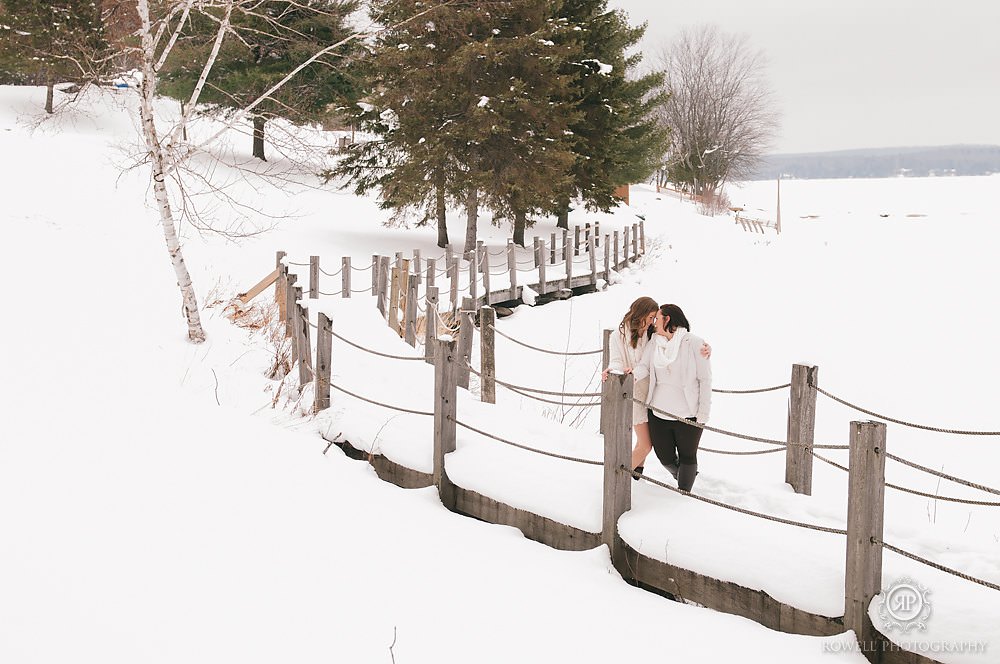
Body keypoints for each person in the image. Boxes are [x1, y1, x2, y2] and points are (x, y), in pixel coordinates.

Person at [602, 298, 711, 478]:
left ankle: (635, 478)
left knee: (644, 443)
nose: (653, 322)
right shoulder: (617, 335)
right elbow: (616, 361)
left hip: (653, 394)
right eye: (651, 317)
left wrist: (706, 348)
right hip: (633, 391)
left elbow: (675, 340)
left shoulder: (652, 334)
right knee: (646, 445)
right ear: (640, 314)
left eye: (655, 318)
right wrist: (615, 370)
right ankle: (615, 478)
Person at [631, 304, 712, 492]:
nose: (654, 323)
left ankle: (684, 492)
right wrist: (630, 376)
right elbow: (644, 366)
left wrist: (703, 414)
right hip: (658, 413)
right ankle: (684, 475)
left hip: (688, 415)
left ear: (667, 319)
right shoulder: (655, 342)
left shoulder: (694, 343)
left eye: (657, 319)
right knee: (664, 456)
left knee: (688, 456)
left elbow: (705, 380)